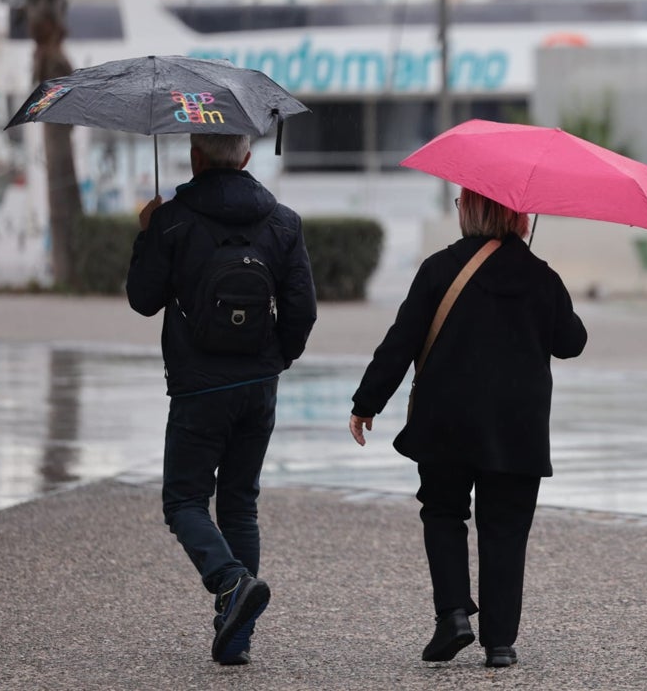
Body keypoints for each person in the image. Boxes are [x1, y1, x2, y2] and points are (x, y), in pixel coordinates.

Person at [349, 188, 587, 668]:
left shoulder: (440, 268)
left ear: (473, 209)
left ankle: (453, 616)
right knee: (505, 529)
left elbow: (402, 340)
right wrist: (540, 284)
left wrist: (367, 401)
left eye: (461, 202)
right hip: (517, 428)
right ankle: (499, 643)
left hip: (446, 420)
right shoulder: (541, 277)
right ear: (519, 214)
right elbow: (572, 342)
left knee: (442, 513)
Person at [126, 132, 317, 666]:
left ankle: (231, 583)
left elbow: (143, 300)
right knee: (239, 503)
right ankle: (237, 634)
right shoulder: (283, 221)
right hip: (257, 385)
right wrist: (276, 361)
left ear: (195, 156)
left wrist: (148, 233)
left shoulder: (173, 220)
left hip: (198, 385)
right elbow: (302, 310)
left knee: (184, 501)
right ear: (248, 156)